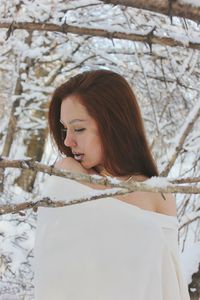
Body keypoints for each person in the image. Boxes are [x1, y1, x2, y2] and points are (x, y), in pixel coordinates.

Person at [34, 69, 190, 300]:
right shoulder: (68, 176)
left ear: (114, 124)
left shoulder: (157, 194)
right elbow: (55, 270)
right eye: (65, 128)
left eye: (78, 129)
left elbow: (170, 283)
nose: (68, 141)